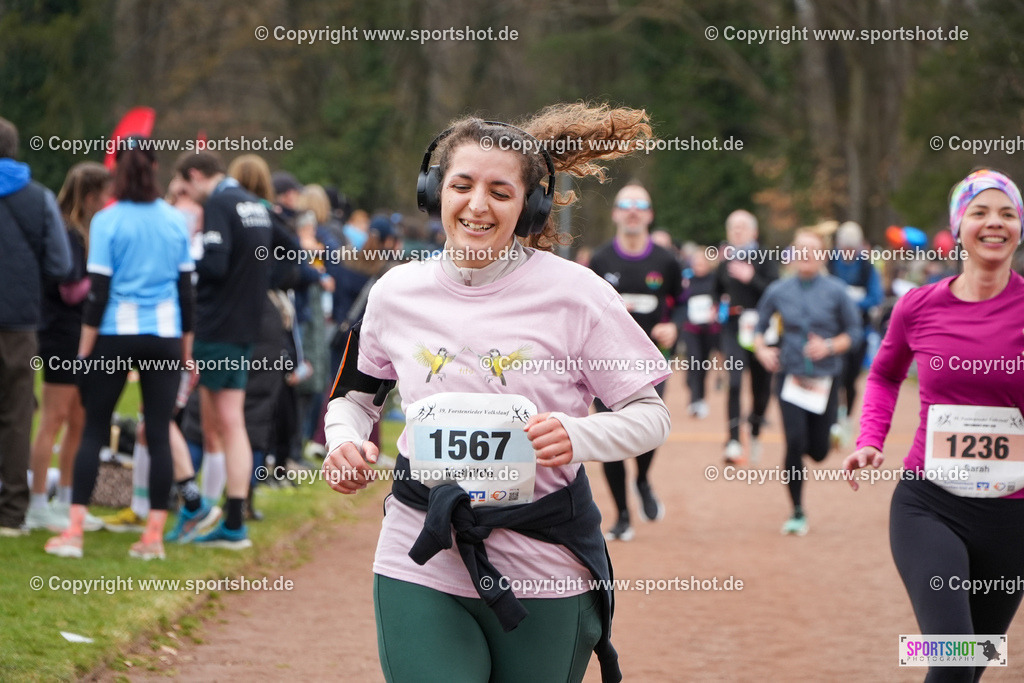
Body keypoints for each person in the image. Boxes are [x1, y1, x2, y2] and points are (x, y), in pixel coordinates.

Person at [323, 104, 669, 683]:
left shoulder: (577, 295)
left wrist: (576, 434)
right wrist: (343, 441)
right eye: (462, 185)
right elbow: (355, 397)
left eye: (500, 191)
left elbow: (649, 416)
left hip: (544, 562)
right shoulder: (395, 294)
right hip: (421, 551)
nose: (478, 205)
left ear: (529, 207)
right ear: (436, 192)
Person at [844, 169, 1024, 682]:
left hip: (1014, 519)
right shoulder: (919, 305)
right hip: (931, 504)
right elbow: (882, 375)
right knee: (951, 657)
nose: (995, 223)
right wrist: (869, 440)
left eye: (1007, 213)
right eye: (981, 212)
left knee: (972, 668)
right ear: (959, 225)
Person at [44, 138, 194, 559]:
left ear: (117, 170)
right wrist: (186, 350)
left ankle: (73, 533)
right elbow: (186, 294)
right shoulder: (174, 220)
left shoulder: (107, 221)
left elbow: (99, 293)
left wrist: (84, 349)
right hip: (165, 336)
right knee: (160, 432)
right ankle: (153, 538)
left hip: (114, 333)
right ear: (156, 167)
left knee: (95, 427)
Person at [175, 151, 295, 549]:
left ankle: (228, 520)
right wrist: (261, 283)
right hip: (244, 327)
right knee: (222, 424)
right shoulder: (253, 203)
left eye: (185, 187)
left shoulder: (220, 204)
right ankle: (219, 513)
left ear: (195, 176)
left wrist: (190, 260)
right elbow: (291, 247)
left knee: (226, 423)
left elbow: (215, 265)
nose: (187, 195)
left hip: (218, 328)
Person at [753, 230, 861, 535]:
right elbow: (757, 326)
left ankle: (832, 432)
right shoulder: (778, 290)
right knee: (794, 442)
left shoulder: (837, 291)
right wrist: (761, 349)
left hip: (826, 379)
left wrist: (828, 346)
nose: (806, 255)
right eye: (800, 249)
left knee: (818, 451)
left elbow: (854, 334)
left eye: (812, 250)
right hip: (791, 376)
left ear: (823, 254)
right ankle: (797, 510)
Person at [588, 183, 681, 540]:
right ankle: (622, 515)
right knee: (611, 434)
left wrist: (674, 327)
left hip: (651, 363)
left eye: (640, 205)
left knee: (647, 431)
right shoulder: (599, 260)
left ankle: (642, 479)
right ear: (615, 213)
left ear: (649, 215)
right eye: (625, 204)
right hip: (606, 364)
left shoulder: (666, 260)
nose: (632, 210)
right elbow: (587, 308)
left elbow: (683, 301)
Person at [26, 162, 112, 532]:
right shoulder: (65, 231)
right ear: (91, 196)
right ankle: (35, 502)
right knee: (53, 418)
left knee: (79, 418)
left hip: (85, 337)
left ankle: (67, 500)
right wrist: (104, 279)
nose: (110, 201)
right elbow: (68, 288)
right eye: (106, 195)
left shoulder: (88, 231)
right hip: (61, 334)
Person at [0, 117, 72, 536]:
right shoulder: (40, 198)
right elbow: (61, 265)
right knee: (16, 415)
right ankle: (11, 512)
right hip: (20, 323)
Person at [713, 209, 778, 464]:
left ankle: (754, 426)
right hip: (733, 327)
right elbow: (715, 290)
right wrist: (715, 303)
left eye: (742, 227)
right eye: (732, 227)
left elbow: (774, 291)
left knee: (761, 389)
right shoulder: (724, 260)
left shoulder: (765, 257)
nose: (737, 231)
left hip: (762, 328)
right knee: (735, 381)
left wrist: (752, 278)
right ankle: (732, 440)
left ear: (754, 231)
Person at [827, 221, 882, 444]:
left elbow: (875, 297)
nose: (848, 251)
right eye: (845, 247)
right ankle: (831, 422)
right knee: (832, 377)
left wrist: (850, 303)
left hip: (858, 331)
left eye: (853, 247)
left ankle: (847, 418)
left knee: (849, 380)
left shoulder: (868, 268)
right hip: (832, 329)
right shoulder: (829, 264)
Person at [674, 247, 720, 419]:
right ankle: (693, 400)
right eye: (696, 262)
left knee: (703, 365)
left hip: (709, 329)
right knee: (694, 361)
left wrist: (716, 310)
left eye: (703, 262)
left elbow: (721, 300)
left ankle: (700, 399)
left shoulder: (715, 280)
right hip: (690, 328)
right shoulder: (686, 281)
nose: (699, 265)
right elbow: (679, 301)